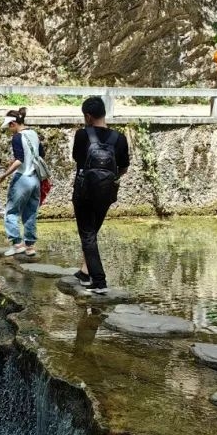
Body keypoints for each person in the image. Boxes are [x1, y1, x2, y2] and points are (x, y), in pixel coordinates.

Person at [71, 95, 130, 294]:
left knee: (87, 235)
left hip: (84, 191)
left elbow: (78, 159)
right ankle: (85, 272)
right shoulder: (119, 138)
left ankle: (99, 281)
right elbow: (124, 167)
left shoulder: (82, 135)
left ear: (88, 116)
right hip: (106, 192)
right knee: (92, 232)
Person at [0, 106, 44, 257]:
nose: (9, 130)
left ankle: (17, 244)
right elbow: (41, 154)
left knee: (11, 211)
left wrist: (3, 175)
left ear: (13, 124)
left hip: (22, 178)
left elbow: (19, 160)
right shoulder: (34, 133)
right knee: (30, 212)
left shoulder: (17, 137)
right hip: (35, 179)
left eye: (9, 127)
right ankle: (30, 246)